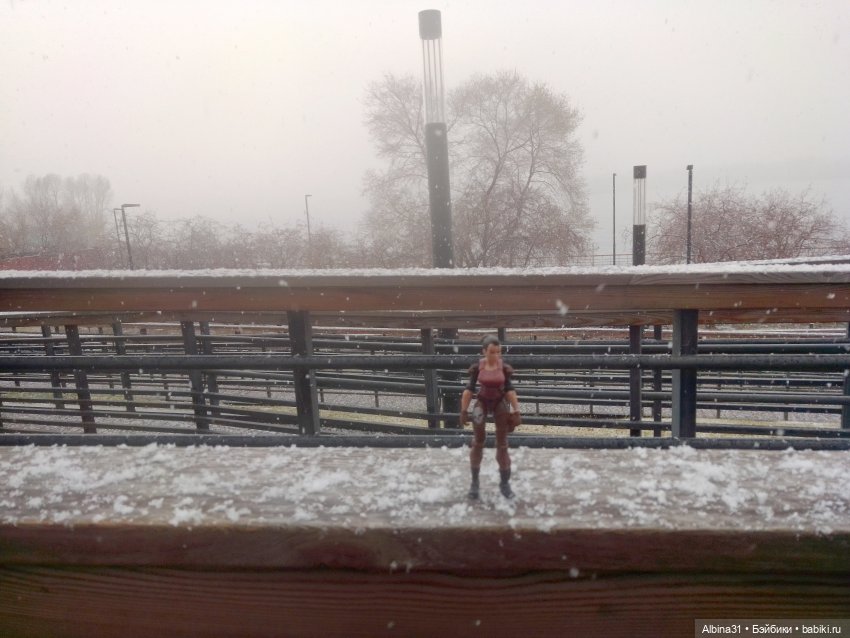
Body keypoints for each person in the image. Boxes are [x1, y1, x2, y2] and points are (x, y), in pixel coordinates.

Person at [460, 334, 521, 499]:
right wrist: (464, 410)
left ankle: (505, 483)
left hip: (499, 402)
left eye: (498, 352)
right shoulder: (478, 367)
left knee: (502, 444)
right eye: (492, 352)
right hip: (482, 402)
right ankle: (474, 483)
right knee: (478, 441)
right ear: (484, 351)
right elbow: (469, 389)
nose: (495, 355)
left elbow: (509, 389)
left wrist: (516, 409)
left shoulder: (503, 368)